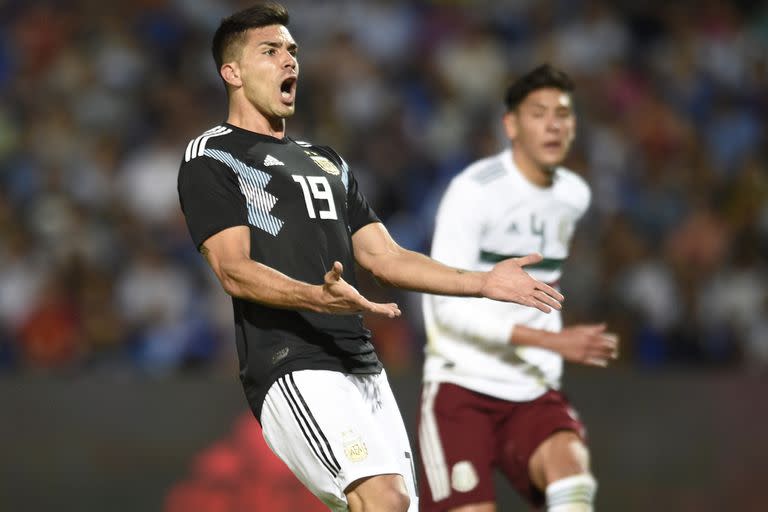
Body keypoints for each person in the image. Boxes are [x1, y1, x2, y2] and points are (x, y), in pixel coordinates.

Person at [176, 4, 564, 512]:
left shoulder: (327, 161)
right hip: (291, 362)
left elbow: (384, 257)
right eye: (269, 51)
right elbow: (233, 269)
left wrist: (483, 282)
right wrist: (315, 295)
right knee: (383, 498)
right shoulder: (213, 156)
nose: (289, 60)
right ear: (232, 72)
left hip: (361, 364)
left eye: (292, 50)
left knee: (396, 506)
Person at [418, 64, 619, 512]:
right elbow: (445, 310)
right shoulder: (472, 192)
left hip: (533, 386)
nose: (553, 124)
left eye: (563, 114)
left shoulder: (574, 195)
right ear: (510, 125)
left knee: (573, 478)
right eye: (538, 113)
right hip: (462, 385)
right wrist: (551, 340)